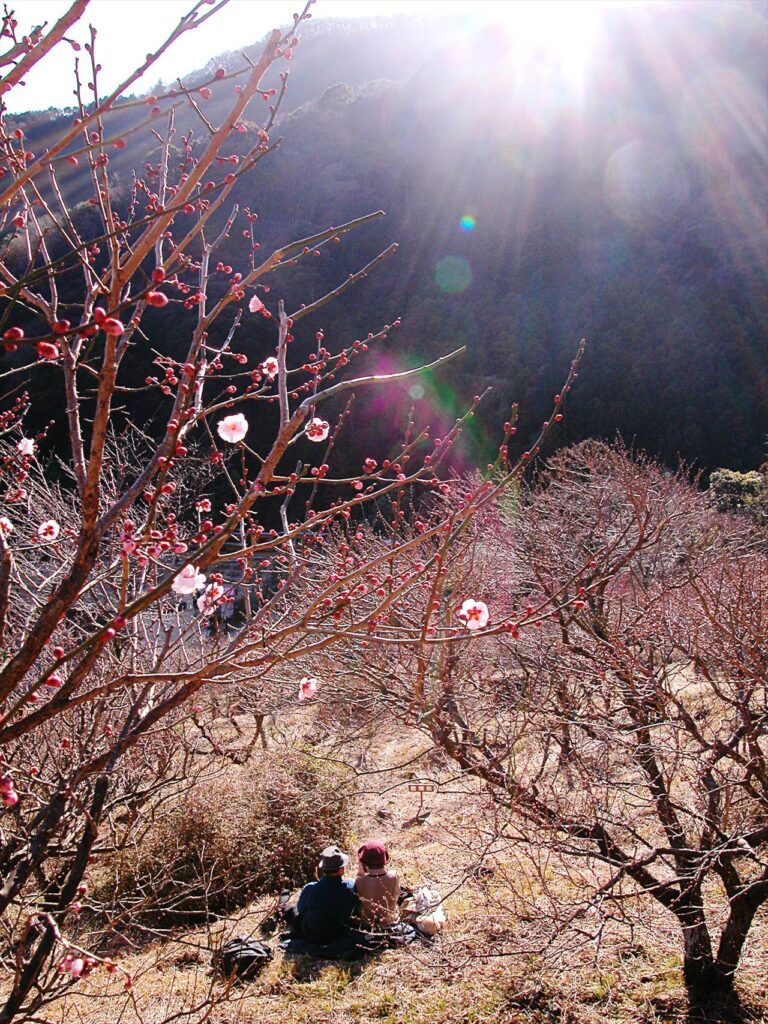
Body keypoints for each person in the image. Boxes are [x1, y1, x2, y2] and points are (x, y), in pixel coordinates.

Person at [283, 845, 357, 944]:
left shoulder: (310, 888)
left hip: (313, 935)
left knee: (289, 908)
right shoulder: (351, 886)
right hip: (340, 934)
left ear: (323, 868)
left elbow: (300, 910)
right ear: (341, 869)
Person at [354, 839, 400, 930]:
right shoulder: (395, 875)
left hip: (368, 925)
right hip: (390, 921)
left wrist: (360, 867)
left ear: (364, 862)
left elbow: (360, 875)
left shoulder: (360, 881)